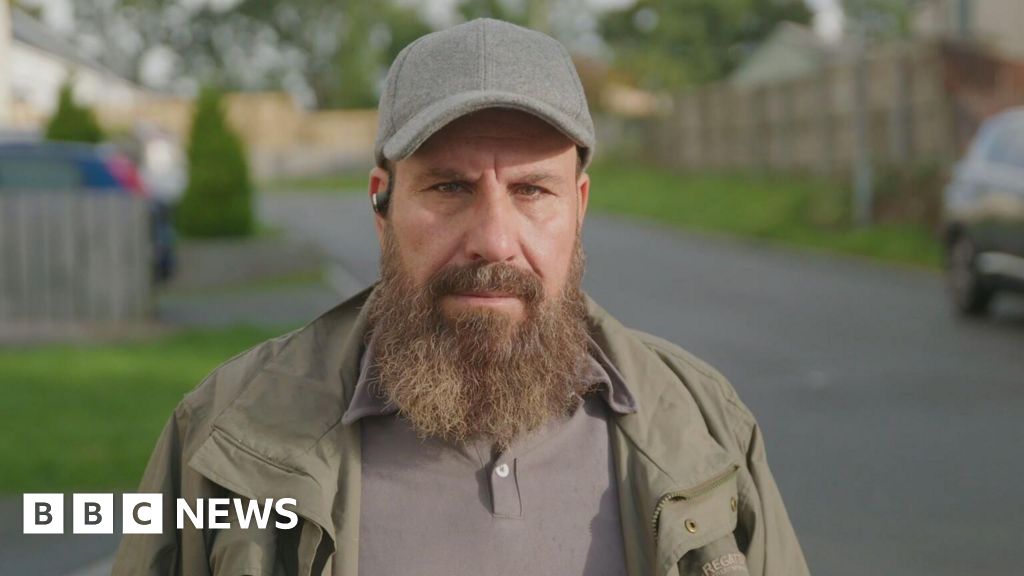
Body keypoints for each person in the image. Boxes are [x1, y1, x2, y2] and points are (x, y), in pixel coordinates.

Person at [112, 18, 809, 576]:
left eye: (531, 190)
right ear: (382, 203)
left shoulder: (706, 430)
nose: (494, 241)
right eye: (449, 187)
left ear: (579, 206)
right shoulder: (226, 435)